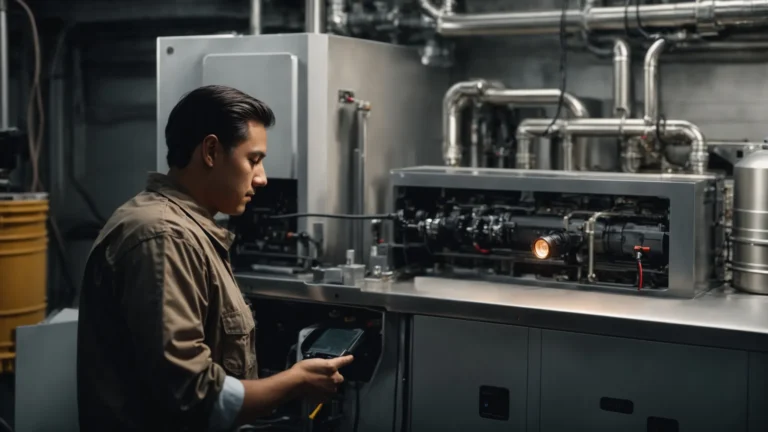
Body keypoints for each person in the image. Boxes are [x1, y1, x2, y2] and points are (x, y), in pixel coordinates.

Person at [76, 84, 354, 432]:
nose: (262, 178)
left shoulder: (188, 230)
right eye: (253, 160)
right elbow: (193, 397)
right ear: (210, 151)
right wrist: (295, 382)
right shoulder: (164, 237)